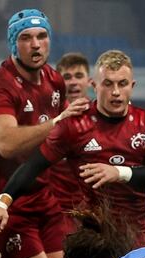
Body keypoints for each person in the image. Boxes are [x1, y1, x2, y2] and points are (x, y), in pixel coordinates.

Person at [0, 49, 145, 248]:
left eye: (122, 84)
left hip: (136, 234)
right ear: (94, 86)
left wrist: (117, 172)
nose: (115, 92)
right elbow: (32, 166)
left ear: (132, 86)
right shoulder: (74, 125)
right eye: (108, 84)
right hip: (92, 236)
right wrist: (1, 203)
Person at [0, 9, 89, 258]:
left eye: (42, 36)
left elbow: (57, 143)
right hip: (2, 204)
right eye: (26, 38)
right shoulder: (0, 85)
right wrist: (57, 121)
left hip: (43, 198)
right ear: (13, 43)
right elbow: (5, 143)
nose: (36, 44)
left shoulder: (54, 80)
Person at [50, 52, 93, 215]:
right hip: (57, 210)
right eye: (67, 77)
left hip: (93, 209)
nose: (73, 82)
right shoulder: (48, 118)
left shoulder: (104, 117)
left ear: (89, 81)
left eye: (79, 75)